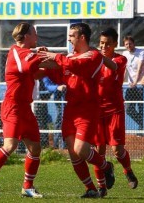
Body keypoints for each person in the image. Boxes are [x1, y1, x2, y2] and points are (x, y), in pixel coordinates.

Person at [0, 22, 56, 198]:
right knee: (10, 145)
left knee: (35, 148)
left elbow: (36, 73)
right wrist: (46, 57)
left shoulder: (27, 54)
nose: (36, 37)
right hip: (12, 107)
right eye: (34, 33)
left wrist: (58, 65)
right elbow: (27, 66)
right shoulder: (15, 51)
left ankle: (27, 186)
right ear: (26, 36)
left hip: (25, 108)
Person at [38, 23, 116, 198]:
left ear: (82, 37)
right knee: (73, 153)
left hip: (88, 110)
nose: (68, 38)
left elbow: (78, 66)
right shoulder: (71, 57)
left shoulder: (94, 55)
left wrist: (54, 56)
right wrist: (40, 59)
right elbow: (60, 74)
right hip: (71, 110)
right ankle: (90, 188)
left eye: (72, 35)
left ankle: (106, 167)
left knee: (81, 149)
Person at [93, 28, 138, 198]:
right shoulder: (94, 58)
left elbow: (111, 66)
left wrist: (95, 55)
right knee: (99, 151)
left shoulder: (120, 59)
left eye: (107, 43)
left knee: (118, 150)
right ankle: (101, 187)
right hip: (96, 111)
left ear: (115, 44)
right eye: (101, 43)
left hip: (114, 111)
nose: (103, 46)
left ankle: (128, 171)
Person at [122, 36, 144, 131]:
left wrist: (135, 81)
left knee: (142, 109)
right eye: (126, 44)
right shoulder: (125, 54)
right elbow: (125, 69)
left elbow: (139, 68)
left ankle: (143, 128)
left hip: (141, 84)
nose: (128, 46)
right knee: (129, 109)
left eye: (130, 43)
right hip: (131, 85)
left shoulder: (141, 53)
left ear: (134, 43)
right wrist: (122, 80)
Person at [41, 76, 66, 149]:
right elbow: (47, 85)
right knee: (59, 120)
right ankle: (57, 145)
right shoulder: (47, 71)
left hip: (69, 99)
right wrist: (57, 87)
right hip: (59, 100)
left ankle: (65, 144)